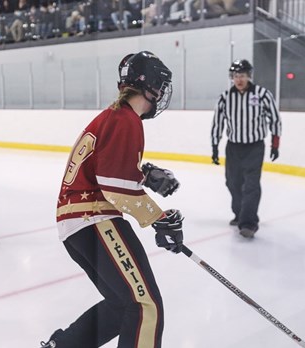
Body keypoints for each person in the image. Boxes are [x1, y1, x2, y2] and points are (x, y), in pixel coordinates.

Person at [40, 51, 184, 348]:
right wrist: (158, 218)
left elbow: (106, 172)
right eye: (161, 85)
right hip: (93, 218)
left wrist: (144, 175)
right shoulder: (126, 120)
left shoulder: (114, 116)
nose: (161, 93)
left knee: (123, 305)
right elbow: (114, 189)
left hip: (77, 225)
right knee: (145, 306)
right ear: (151, 85)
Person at [210, 59, 282, 238]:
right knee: (232, 182)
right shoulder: (225, 97)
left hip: (254, 147)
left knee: (251, 185)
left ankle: (249, 223)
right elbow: (218, 123)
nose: (239, 79)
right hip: (233, 147)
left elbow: (274, 119)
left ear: (249, 76)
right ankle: (239, 213)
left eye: (242, 75)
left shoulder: (262, 94)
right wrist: (214, 146)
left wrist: (275, 144)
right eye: (235, 76)